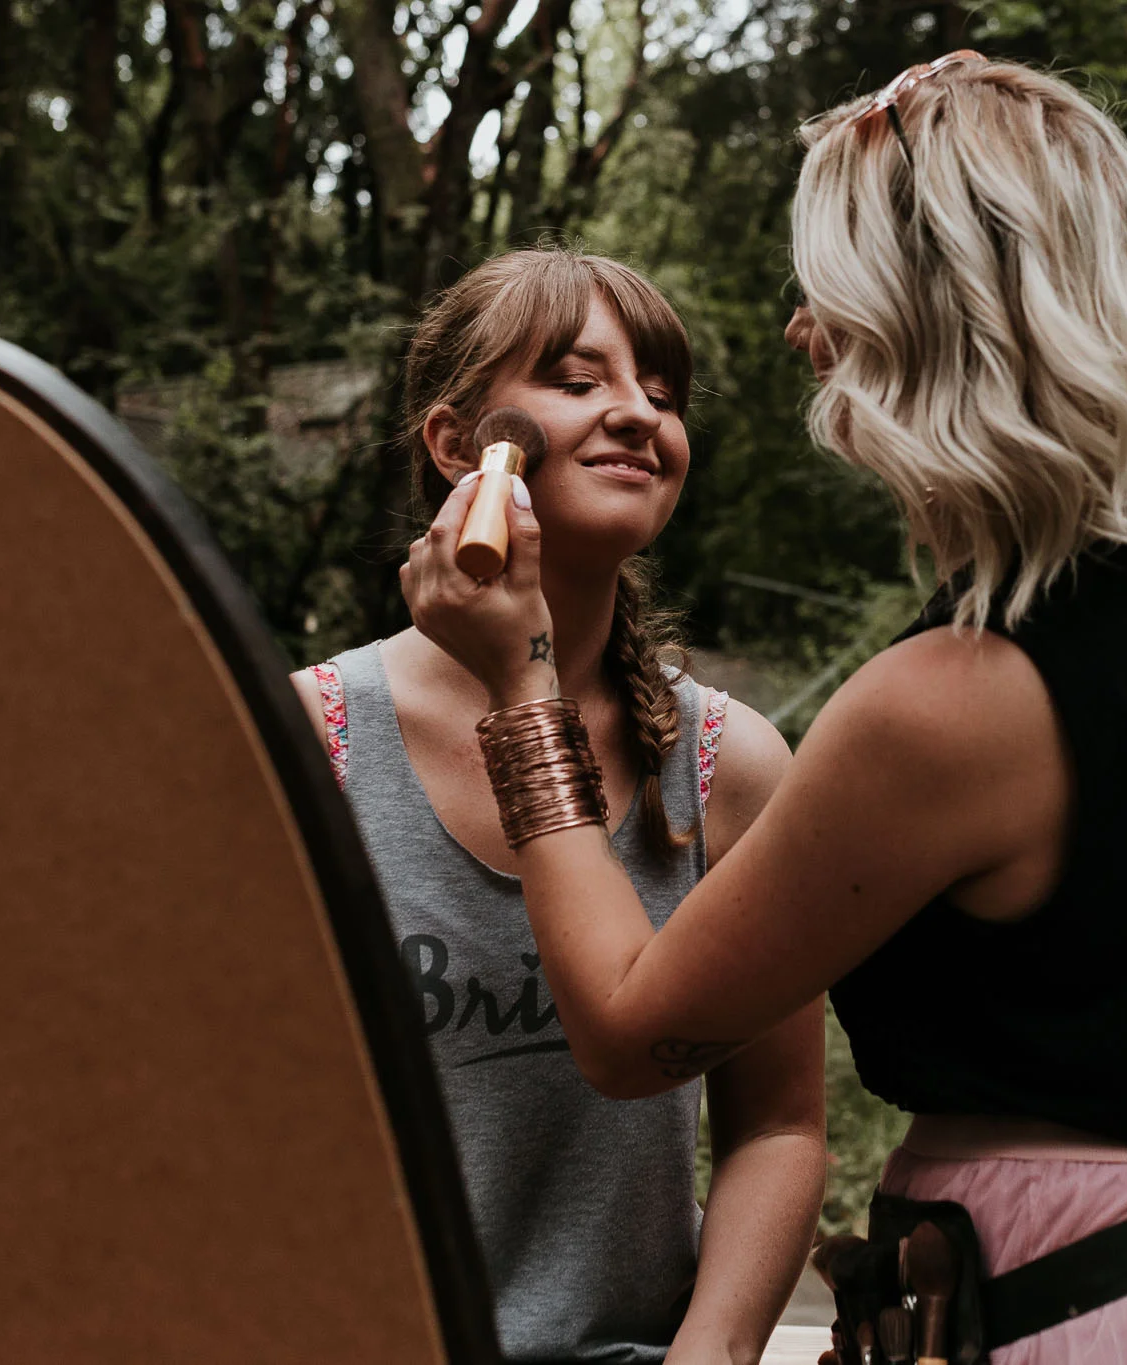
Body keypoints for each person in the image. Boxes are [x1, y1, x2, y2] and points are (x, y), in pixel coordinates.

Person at [399, 55, 1127, 1365]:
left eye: (833, 299)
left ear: (923, 329)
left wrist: (521, 683)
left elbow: (634, 1033)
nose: (807, 336)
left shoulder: (945, 705)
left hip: (1081, 1309)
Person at [290, 247, 826, 1365]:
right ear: (455, 446)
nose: (636, 415)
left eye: (661, 395)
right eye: (578, 383)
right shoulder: (310, 743)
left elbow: (775, 1125)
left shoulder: (729, 765)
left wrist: (713, 1353)